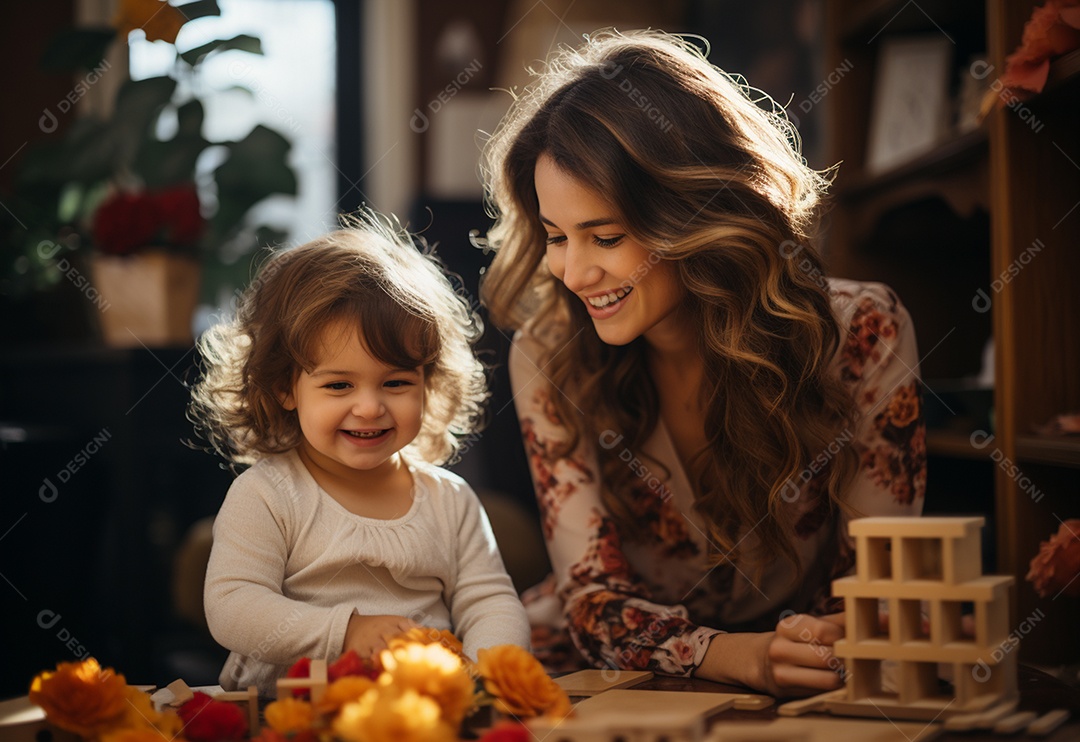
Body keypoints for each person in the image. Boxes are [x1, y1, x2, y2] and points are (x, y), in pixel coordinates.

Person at [478, 29, 926, 698]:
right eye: (555, 237)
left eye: (605, 236)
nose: (574, 271)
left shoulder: (861, 331)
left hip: (812, 666)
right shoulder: (549, 351)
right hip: (614, 663)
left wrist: (807, 651)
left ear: (694, 215)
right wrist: (736, 658)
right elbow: (593, 599)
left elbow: (881, 591)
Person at [191, 213, 530, 695]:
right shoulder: (267, 495)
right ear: (284, 387)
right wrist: (347, 631)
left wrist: (486, 676)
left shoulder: (449, 500)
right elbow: (232, 606)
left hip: (415, 713)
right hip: (285, 717)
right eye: (338, 385)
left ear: (429, 385)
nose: (370, 407)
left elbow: (490, 602)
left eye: (396, 382)